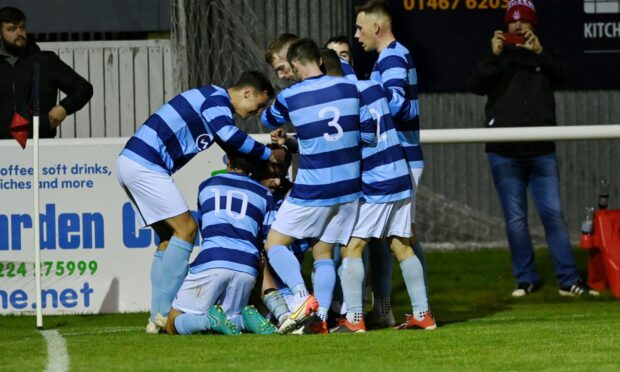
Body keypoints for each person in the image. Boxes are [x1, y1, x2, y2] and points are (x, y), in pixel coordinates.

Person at [116, 70, 287, 333]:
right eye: (259, 105)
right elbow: (230, 136)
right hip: (146, 163)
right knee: (187, 230)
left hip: (134, 161)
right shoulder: (216, 101)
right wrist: (269, 155)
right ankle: (165, 312)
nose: (257, 113)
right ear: (247, 92)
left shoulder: (212, 103)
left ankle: (156, 318)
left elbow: (232, 148)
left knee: (167, 238)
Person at [467, 0, 599, 297]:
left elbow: (565, 77)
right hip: (504, 152)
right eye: (512, 22)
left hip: (541, 151)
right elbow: (474, 84)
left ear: (533, 25)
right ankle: (526, 278)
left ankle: (568, 279)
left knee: (553, 215)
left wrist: (540, 52)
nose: (517, 26)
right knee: (515, 220)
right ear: (505, 26)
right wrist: (493, 54)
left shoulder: (545, 55)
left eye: (523, 21)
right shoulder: (496, 57)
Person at [261, 39, 375, 334]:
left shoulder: (291, 96)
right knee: (323, 252)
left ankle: (302, 297)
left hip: (314, 189)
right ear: (321, 61)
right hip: (349, 190)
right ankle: (320, 319)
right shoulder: (351, 88)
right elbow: (369, 136)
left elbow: (267, 118)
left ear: (296, 65)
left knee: (274, 243)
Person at [319, 51, 434, 332]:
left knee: (351, 247)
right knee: (401, 245)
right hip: (399, 173)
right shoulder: (372, 86)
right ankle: (423, 314)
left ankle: (354, 320)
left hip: (376, 181)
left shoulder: (341, 99)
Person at [354, 0, 429, 327]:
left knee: (391, 240)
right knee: (398, 239)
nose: (357, 35)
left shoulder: (393, 57)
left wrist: (367, 98)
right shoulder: (389, 57)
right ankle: (419, 312)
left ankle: (358, 316)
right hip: (399, 160)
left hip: (399, 161)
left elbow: (402, 107)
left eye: (360, 28)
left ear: (376, 27)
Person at [165, 148, 280, 336]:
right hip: (247, 267)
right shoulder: (264, 194)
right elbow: (269, 237)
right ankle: (245, 320)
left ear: (228, 159)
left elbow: (203, 227)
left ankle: (208, 321)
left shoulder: (206, 186)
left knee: (172, 322)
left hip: (213, 258)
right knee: (229, 320)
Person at [0, 6, 93, 142]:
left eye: (22, 27)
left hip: (41, 144)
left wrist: (63, 107)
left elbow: (84, 88)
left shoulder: (45, 60)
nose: (19, 33)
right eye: (12, 29)